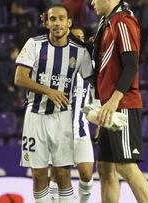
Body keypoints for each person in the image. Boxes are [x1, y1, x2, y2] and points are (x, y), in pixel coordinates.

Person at [14, 4, 93, 203]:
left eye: (61, 18)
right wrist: (48, 91)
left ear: (68, 22)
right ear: (46, 22)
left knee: (62, 174)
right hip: (35, 116)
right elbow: (20, 78)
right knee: (39, 174)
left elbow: (93, 80)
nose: (57, 23)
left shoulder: (80, 52)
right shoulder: (34, 44)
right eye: (52, 19)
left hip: (63, 118)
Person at [91, 0, 148, 202]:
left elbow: (131, 66)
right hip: (109, 107)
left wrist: (114, 101)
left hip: (122, 105)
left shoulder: (123, 22)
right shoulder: (106, 22)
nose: (92, 2)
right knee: (105, 167)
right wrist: (103, 107)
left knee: (127, 166)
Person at [48, 26, 94, 203]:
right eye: (74, 37)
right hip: (58, 127)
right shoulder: (55, 64)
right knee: (56, 174)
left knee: (87, 172)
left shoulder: (91, 66)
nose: (78, 40)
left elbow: (96, 95)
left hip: (81, 128)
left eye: (81, 37)